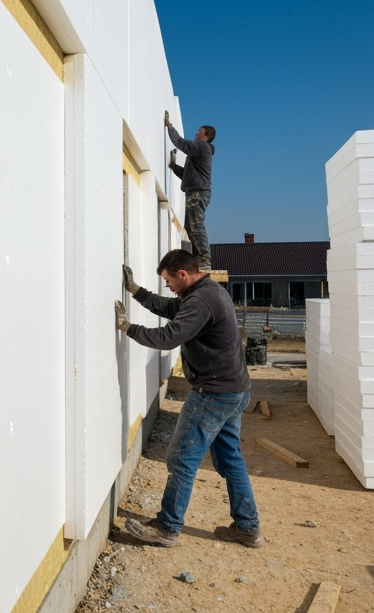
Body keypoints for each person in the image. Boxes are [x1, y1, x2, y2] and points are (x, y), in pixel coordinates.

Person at [112, 249, 261, 549]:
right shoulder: (204, 292)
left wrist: (128, 328)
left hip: (213, 394)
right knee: (230, 459)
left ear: (183, 274)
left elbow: (169, 336)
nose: (167, 286)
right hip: (233, 389)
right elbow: (171, 307)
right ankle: (248, 528)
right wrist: (136, 291)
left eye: (168, 280)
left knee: (181, 458)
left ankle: (167, 529)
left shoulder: (202, 300)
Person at [165, 112, 215, 272]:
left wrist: (169, 126)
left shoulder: (202, 147)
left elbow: (181, 143)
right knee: (190, 225)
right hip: (195, 191)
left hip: (198, 192)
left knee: (196, 225)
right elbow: (186, 175)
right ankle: (198, 258)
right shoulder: (199, 153)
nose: (196, 133)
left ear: (206, 135)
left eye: (199, 132)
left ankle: (205, 259)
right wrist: (173, 166)